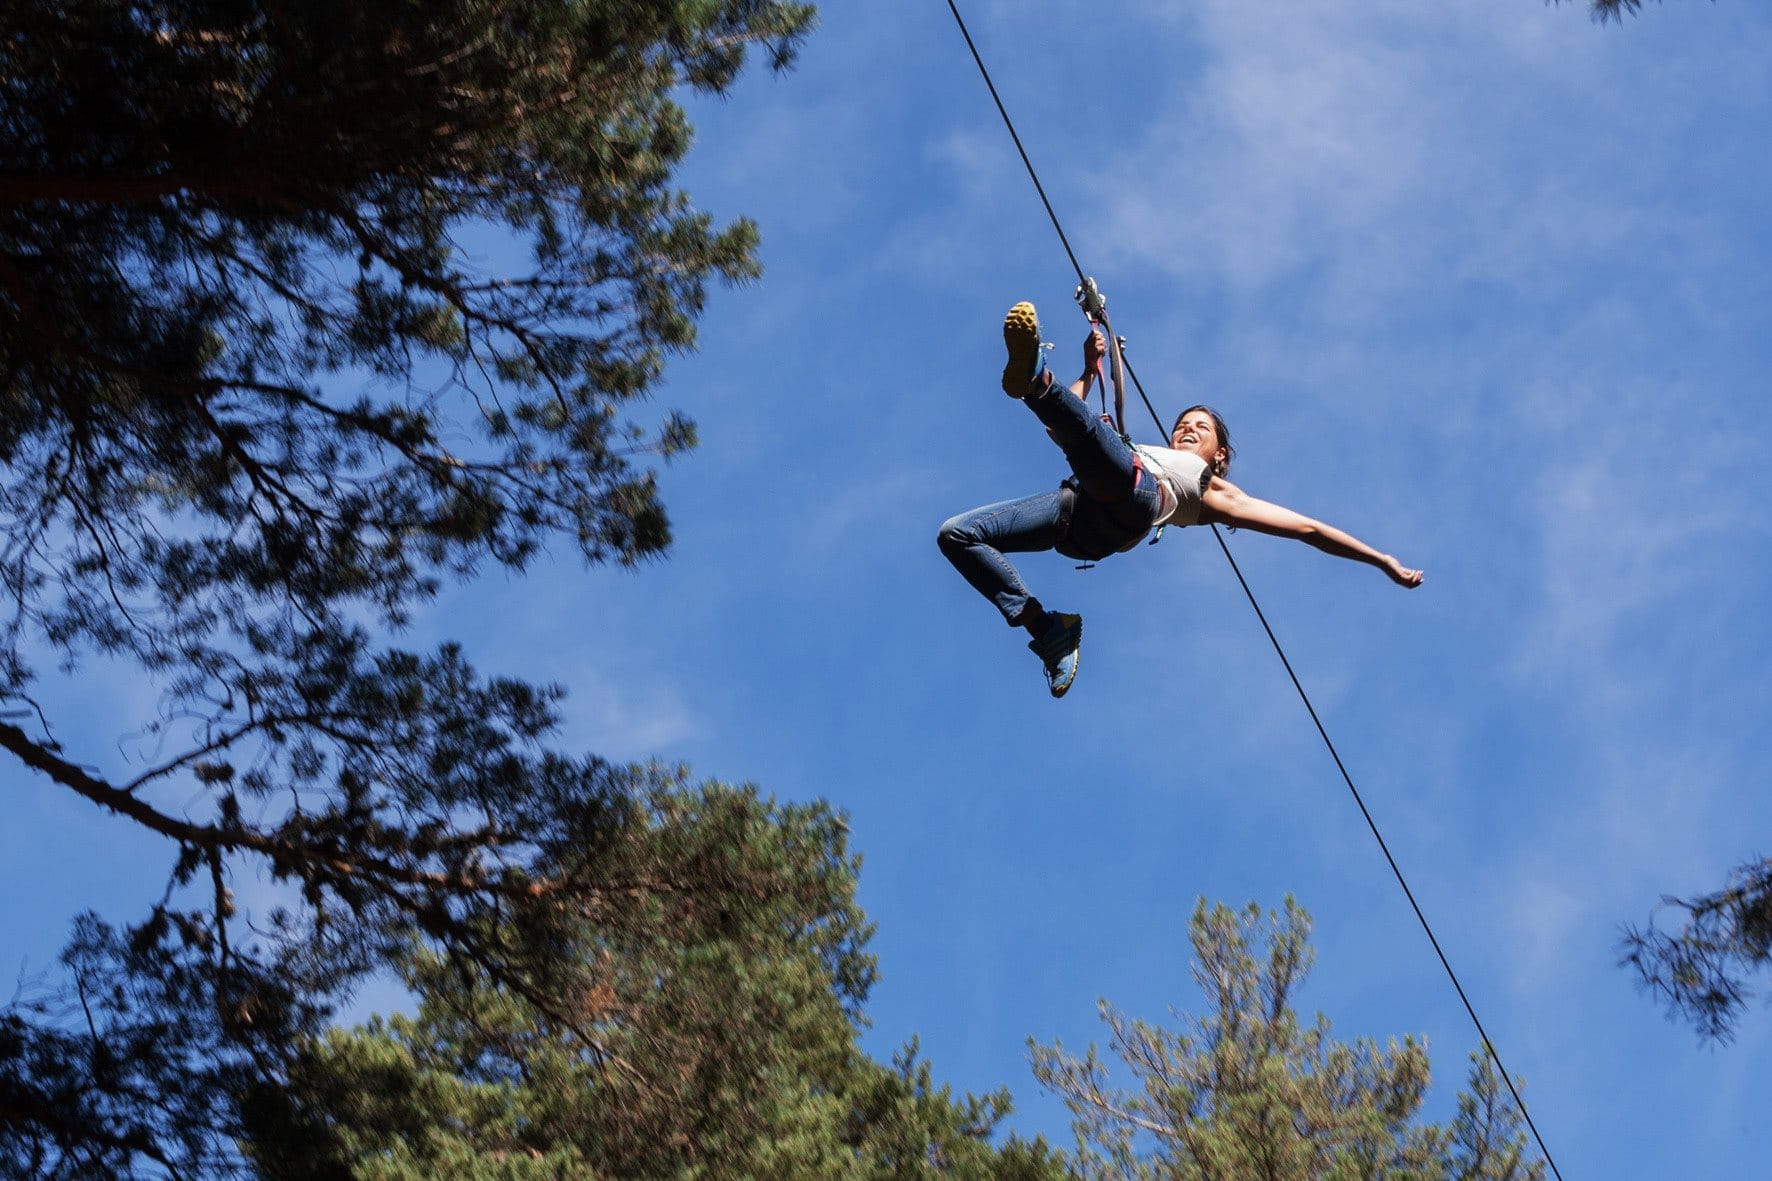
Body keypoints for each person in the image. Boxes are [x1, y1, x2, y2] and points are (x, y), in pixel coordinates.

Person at [938, 300, 1424, 698]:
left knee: (1105, 455)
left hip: (1131, 504)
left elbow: (1310, 530)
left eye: (1201, 427)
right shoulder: (1145, 450)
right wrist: (1089, 369)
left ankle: (1037, 381)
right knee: (958, 535)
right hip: (1074, 516)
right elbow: (1061, 428)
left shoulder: (1214, 491)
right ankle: (1048, 630)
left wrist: (1382, 560)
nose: (1187, 428)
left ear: (1221, 453)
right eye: (1182, 424)